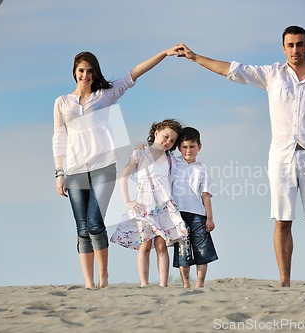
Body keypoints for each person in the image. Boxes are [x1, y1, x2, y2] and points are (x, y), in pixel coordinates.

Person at [176, 26, 305, 287]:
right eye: (290, 45)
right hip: (281, 157)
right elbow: (233, 70)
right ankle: (284, 280)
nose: (295, 50)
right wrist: (196, 57)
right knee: (282, 221)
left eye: (299, 44)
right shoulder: (272, 75)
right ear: (283, 48)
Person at [52, 47, 182, 289]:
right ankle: (89, 283)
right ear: (74, 72)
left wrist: (163, 54)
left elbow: (133, 74)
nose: (86, 75)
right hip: (74, 170)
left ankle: (104, 276)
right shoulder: (62, 103)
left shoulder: (105, 95)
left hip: (103, 168)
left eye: (90, 71)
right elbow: (58, 138)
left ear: (95, 73)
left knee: (94, 223)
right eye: (81, 71)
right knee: (82, 228)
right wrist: (59, 172)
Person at [110, 119, 187, 287]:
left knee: (161, 245)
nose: (168, 142)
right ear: (156, 132)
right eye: (166, 136)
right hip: (144, 206)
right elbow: (123, 175)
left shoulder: (170, 159)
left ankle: (163, 285)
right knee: (145, 245)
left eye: (172, 140)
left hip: (164, 208)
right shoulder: (141, 153)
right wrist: (127, 201)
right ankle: (144, 284)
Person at [171, 127, 218, 288]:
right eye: (184, 147)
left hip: (198, 214)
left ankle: (200, 284)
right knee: (183, 250)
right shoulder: (174, 163)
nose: (188, 150)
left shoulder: (202, 168)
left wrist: (210, 218)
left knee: (202, 250)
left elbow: (205, 194)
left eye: (192, 146)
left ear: (199, 147)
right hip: (178, 214)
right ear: (179, 148)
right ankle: (186, 283)